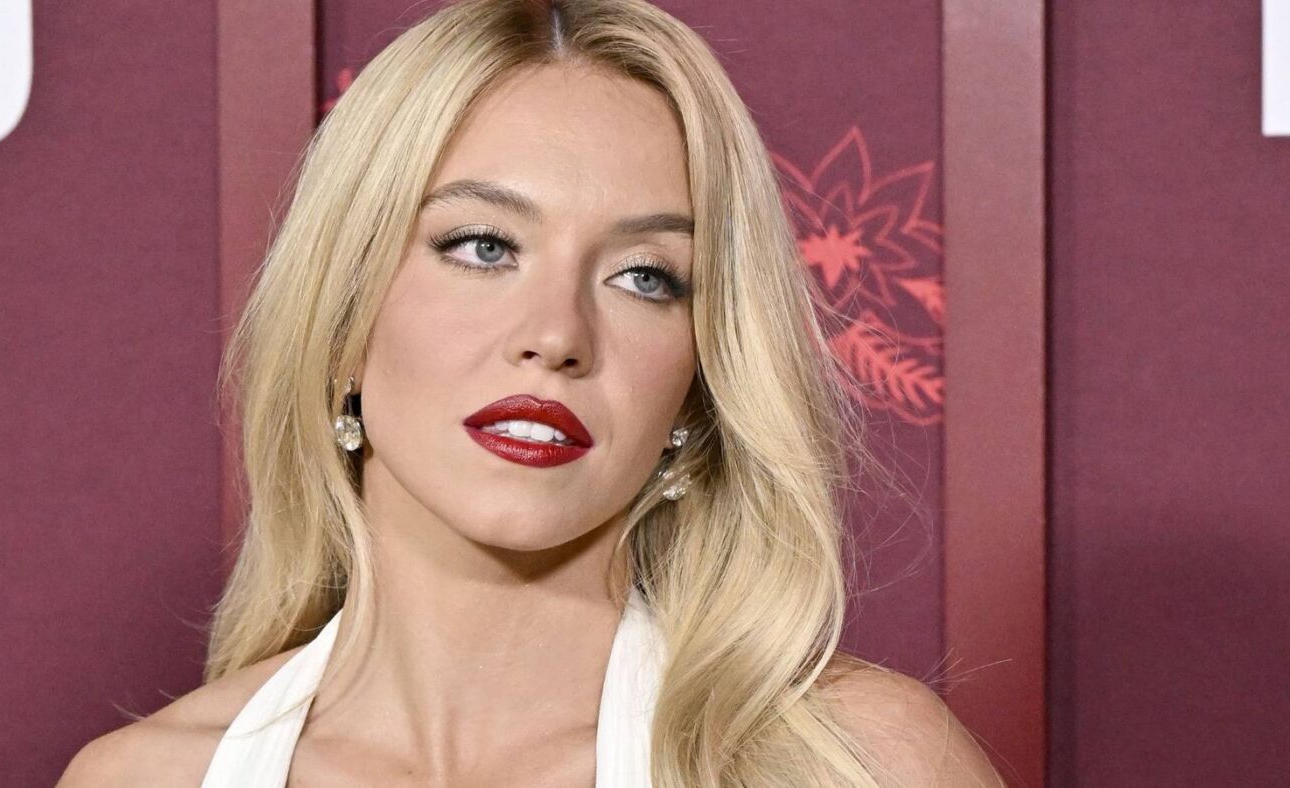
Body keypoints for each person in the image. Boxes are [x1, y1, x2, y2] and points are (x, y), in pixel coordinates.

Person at [59, 0, 1004, 784]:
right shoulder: (141, 779)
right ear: (342, 318)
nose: (556, 336)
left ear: (697, 388)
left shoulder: (857, 763)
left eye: (645, 276)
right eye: (484, 247)